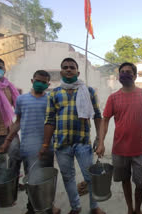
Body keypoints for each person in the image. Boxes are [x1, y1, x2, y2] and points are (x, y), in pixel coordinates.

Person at [39, 58, 105, 214]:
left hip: (83, 142)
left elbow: (97, 116)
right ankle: (76, 207)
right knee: (68, 178)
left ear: (78, 72)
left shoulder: (88, 91)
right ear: (61, 72)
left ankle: (94, 207)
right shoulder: (54, 94)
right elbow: (49, 121)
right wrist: (45, 145)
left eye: (72, 67)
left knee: (90, 177)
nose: (69, 69)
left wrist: (100, 140)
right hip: (62, 144)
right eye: (65, 67)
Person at [96, 62, 142, 214]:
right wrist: (101, 143)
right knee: (125, 181)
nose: (125, 74)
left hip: (139, 150)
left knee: (140, 184)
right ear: (118, 76)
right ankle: (130, 209)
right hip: (119, 150)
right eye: (122, 71)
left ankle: (138, 208)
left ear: (135, 76)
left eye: (129, 72)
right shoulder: (113, 98)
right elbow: (105, 120)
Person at [0, 70, 60, 214]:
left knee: (47, 179)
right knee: (30, 179)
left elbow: (54, 123)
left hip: (47, 147)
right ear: (32, 81)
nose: (40, 84)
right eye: (38, 80)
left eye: (44, 82)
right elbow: (18, 122)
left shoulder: (50, 99)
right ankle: (31, 207)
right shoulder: (21, 99)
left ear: (48, 84)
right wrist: (8, 141)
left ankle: (49, 206)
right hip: (27, 148)